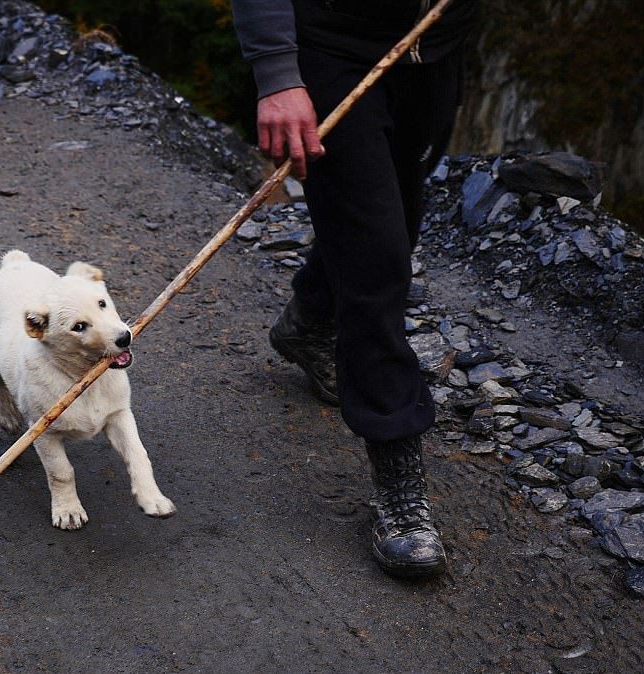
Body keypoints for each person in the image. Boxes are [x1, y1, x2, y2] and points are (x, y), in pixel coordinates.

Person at [231, 0, 479, 578]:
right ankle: (397, 472)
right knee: (376, 259)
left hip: (433, 49)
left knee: (395, 225)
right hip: (332, 48)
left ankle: (311, 319)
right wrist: (278, 73)